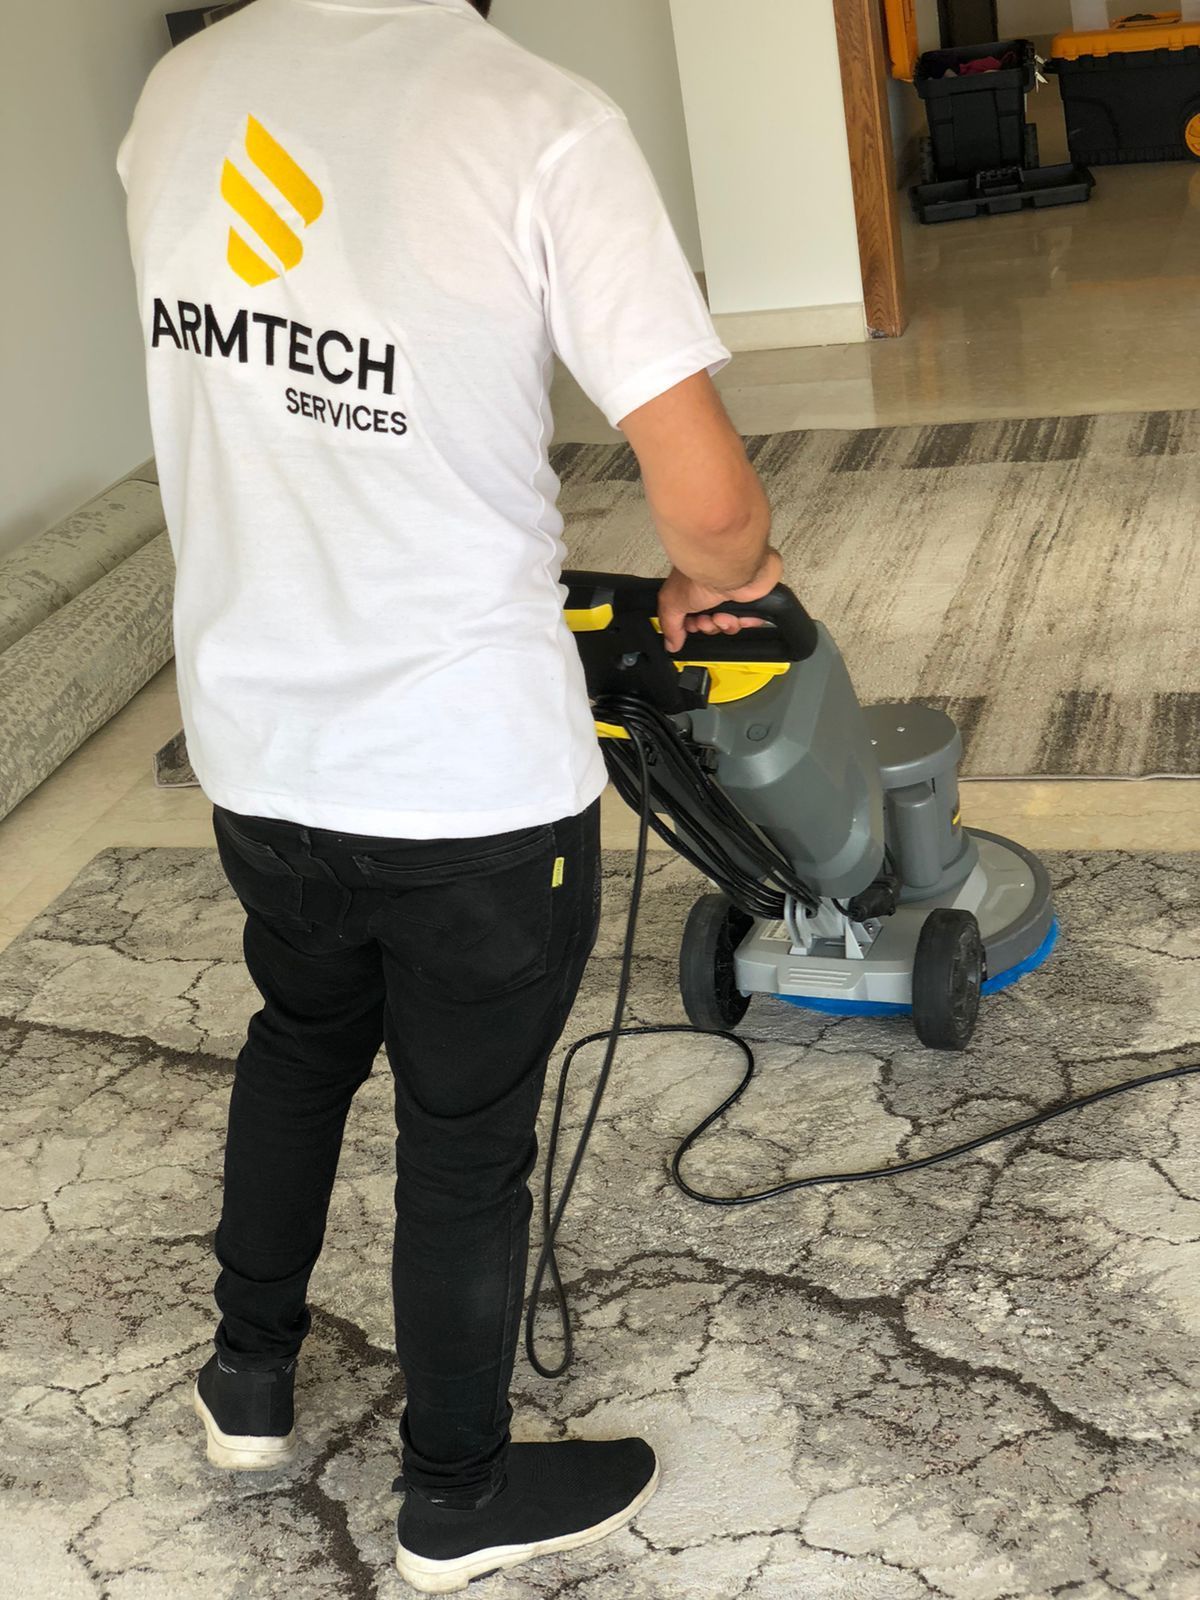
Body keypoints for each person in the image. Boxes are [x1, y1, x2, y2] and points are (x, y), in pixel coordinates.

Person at [119, 0, 779, 1589]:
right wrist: (730, 574)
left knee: (301, 1040)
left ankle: (249, 1381)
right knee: (463, 1139)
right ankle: (458, 1495)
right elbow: (709, 500)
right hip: (463, 776)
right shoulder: (535, 119)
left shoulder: (178, 92)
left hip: (260, 745)